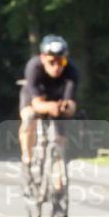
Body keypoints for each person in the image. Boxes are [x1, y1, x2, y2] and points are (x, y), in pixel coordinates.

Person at [19, 35, 79, 166]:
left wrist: (67, 108)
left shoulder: (72, 70)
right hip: (34, 96)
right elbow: (36, 104)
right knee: (29, 116)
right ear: (43, 58)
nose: (56, 67)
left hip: (57, 98)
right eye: (52, 62)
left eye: (61, 62)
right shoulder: (34, 67)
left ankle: (59, 168)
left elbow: (71, 103)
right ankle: (27, 157)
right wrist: (49, 107)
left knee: (63, 125)